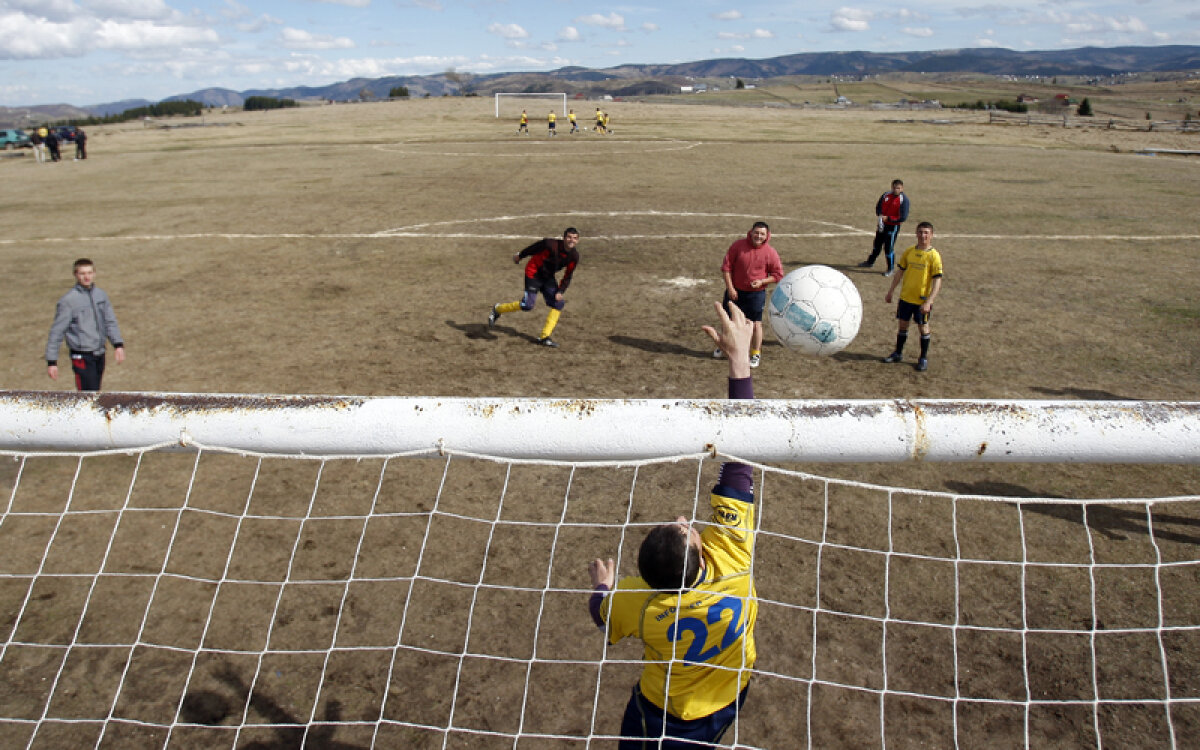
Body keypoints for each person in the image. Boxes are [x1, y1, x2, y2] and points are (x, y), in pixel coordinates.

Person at [588, 300, 759, 749]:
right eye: (683, 527)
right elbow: (740, 461)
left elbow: (601, 616)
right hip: (728, 695)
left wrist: (603, 587)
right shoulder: (734, 561)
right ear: (702, 553)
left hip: (662, 711)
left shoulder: (638, 602)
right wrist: (739, 361)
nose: (683, 518)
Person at [488, 228, 581, 348]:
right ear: (563, 238)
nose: (571, 240)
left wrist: (561, 290)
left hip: (547, 278)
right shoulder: (550, 244)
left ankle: (544, 337)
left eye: (574, 238)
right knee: (527, 305)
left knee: (558, 303)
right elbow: (533, 248)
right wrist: (520, 256)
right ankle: (498, 309)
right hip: (534, 273)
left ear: (578, 240)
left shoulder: (574, 256)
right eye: (569, 237)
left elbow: (568, 275)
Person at [45, 258, 126, 391]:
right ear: (76, 275)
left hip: (100, 354)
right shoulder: (68, 301)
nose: (86, 277)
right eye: (82, 273)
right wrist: (52, 362)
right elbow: (57, 332)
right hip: (82, 357)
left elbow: (110, 321)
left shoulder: (101, 295)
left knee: (96, 393)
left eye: (89, 273)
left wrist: (118, 345)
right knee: (87, 397)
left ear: (94, 273)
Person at [716, 221, 783, 369]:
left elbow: (778, 275)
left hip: (756, 295)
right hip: (735, 292)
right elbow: (726, 268)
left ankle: (755, 353)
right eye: (756, 233)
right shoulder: (737, 246)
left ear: (767, 236)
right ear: (751, 232)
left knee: (755, 324)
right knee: (728, 320)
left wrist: (762, 281)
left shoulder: (770, 253)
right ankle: (724, 346)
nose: (758, 236)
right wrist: (731, 288)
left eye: (762, 234)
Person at [882, 221, 943, 372]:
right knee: (902, 326)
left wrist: (929, 301)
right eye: (921, 232)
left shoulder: (934, 256)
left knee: (923, 328)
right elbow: (900, 273)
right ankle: (898, 353)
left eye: (926, 233)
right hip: (905, 298)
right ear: (916, 234)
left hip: (921, 301)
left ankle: (923, 358)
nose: (923, 236)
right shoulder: (909, 252)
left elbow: (937, 282)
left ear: (931, 235)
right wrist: (891, 291)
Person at [858, 179, 909, 276]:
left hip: (892, 227)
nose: (896, 190)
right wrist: (880, 214)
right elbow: (878, 206)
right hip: (882, 224)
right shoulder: (886, 195)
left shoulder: (904, 200)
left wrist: (889, 218)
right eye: (894, 187)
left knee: (888, 248)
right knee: (877, 244)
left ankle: (890, 269)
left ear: (902, 188)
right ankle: (870, 262)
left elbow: (902, 217)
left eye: (898, 188)